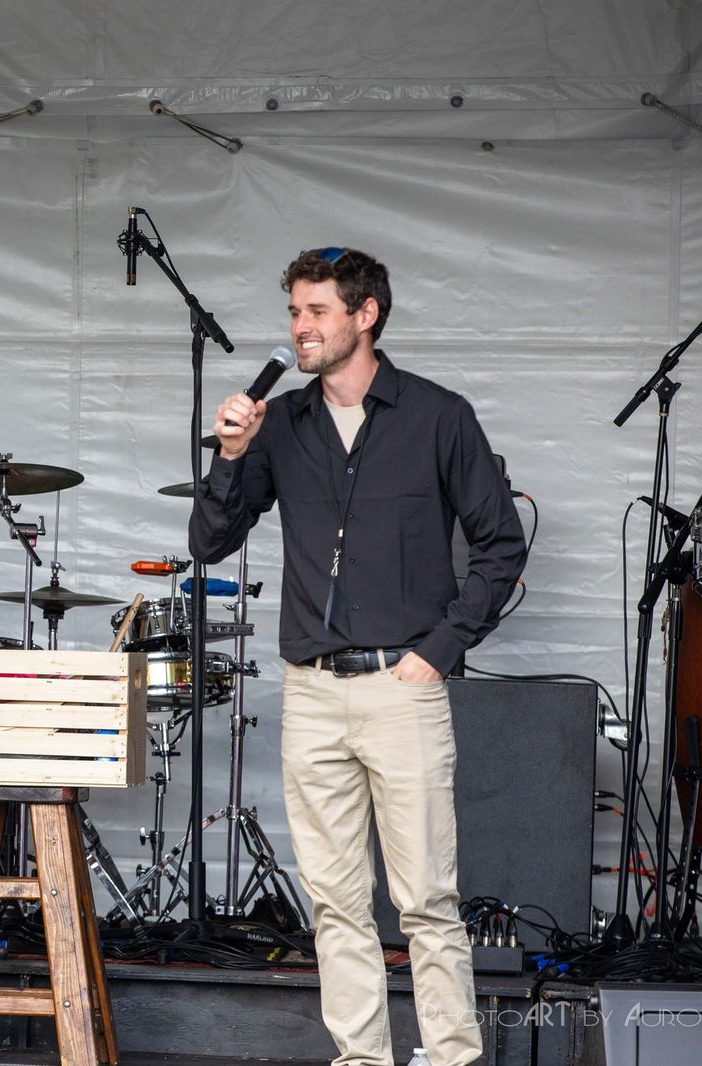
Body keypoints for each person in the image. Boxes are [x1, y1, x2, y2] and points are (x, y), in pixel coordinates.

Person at [190, 247, 525, 1066]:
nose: (299, 327)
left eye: (316, 311)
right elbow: (208, 542)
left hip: (402, 686)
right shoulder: (282, 425)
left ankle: (451, 1058)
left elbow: (500, 546)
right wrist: (229, 456)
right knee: (336, 904)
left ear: (364, 314)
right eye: (294, 312)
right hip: (312, 692)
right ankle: (362, 1059)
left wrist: (439, 650)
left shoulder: (437, 416)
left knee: (427, 901)